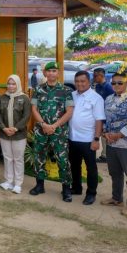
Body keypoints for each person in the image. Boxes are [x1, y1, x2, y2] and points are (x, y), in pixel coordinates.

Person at [29, 61, 74, 202]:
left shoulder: (66, 91)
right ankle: (39, 185)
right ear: (45, 73)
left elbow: (69, 111)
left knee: (63, 160)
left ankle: (66, 189)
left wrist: (53, 126)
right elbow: (34, 109)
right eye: (49, 71)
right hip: (41, 130)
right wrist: (43, 124)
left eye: (54, 71)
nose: (52, 73)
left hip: (59, 131)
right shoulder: (38, 89)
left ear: (58, 73)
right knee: (39, 157)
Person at [101, 72, 127, 217]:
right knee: (115, 173)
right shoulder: (109, 99)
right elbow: (106, 119)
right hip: (112, 143)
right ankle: (117, 198)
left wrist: (118, 135)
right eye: (113, 83)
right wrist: (105, 133)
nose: (116, 86)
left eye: (120, 82)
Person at [69, 71, 105, 205]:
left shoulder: (96, 98)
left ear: (89, 82)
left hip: (88, 140)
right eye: (77, 81)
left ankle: (91, 193)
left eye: (82, 81)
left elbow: (99, 120)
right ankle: (77, 188)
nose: (79, 84)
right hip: (72, 137)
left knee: (91, 168)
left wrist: (96, 139)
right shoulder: (72, 95)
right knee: (74, 165)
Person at [0, 74, 31, 194]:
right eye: (9, 83)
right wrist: (4, 128)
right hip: (5, 133)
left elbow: (26, 116)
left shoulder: (24, 98)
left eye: (13, 83)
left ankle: (18, 183)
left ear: (18, 84)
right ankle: (8, 181)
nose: (11, 86)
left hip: (19, 134)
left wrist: (15, 128)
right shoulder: (2, 98)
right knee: (8, 158)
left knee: (18, 159)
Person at [92, 67, 114, 163]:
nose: (94, 78)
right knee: (103, 135)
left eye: (95, 76)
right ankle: (105, 155)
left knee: (108, 136)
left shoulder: (108, 87)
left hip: (108, 115)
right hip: (101, 115)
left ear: (101, 76)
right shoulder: (98, 86)